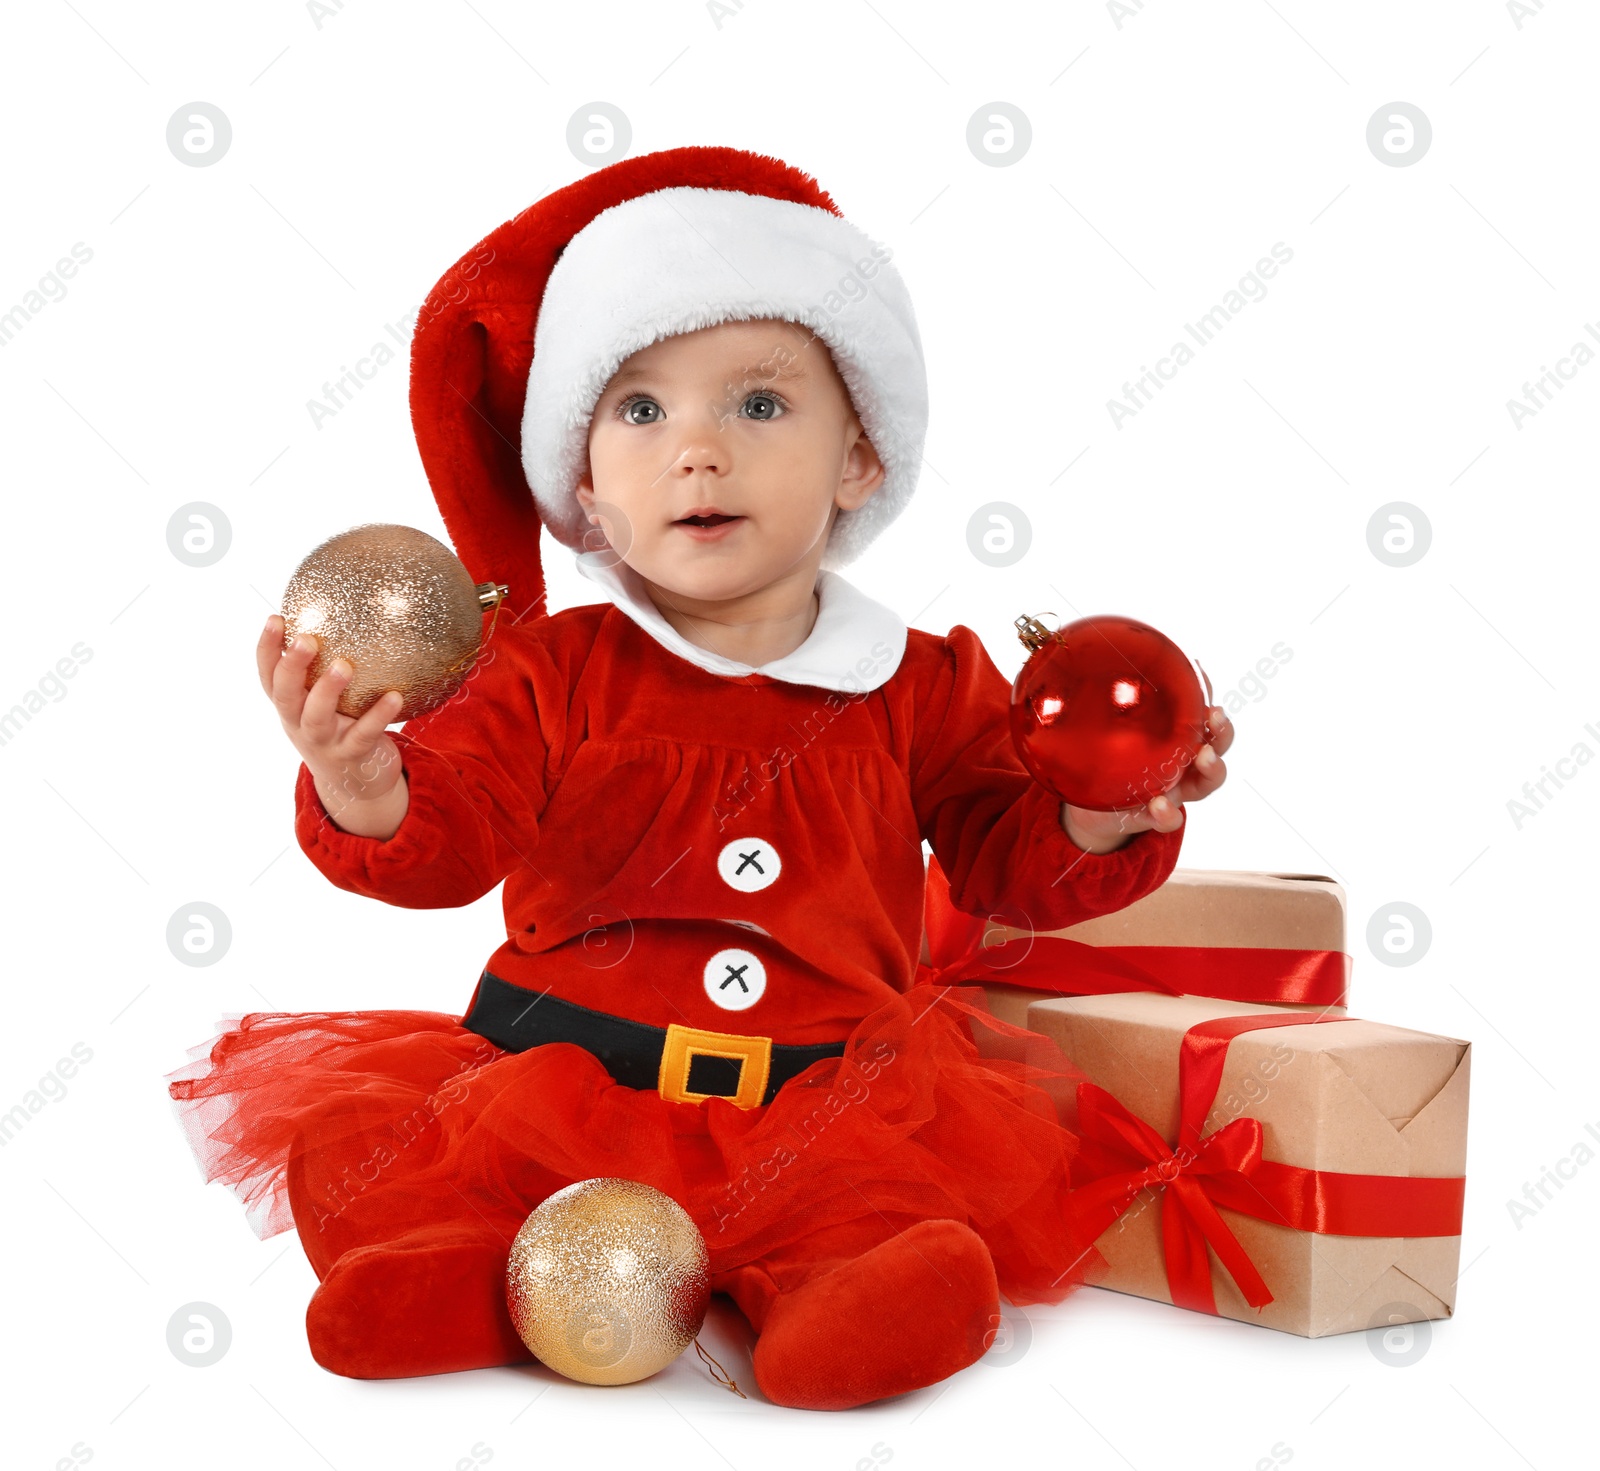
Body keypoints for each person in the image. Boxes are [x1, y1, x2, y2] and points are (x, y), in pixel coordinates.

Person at [167, 146, 1231, 1410]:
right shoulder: (552, 672)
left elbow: (1009, 858)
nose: (699, 452)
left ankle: (841, 1290)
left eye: (761, 406)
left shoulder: (921, 679)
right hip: (562, 1082)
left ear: (860, 460)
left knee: (861, 1206)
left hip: (822, 1097)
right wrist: (363, 783)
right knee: (427, 1165)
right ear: (584, 488)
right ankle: (474, 1273)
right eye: (641, 411)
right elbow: (452, 839)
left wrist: (1095, 807)